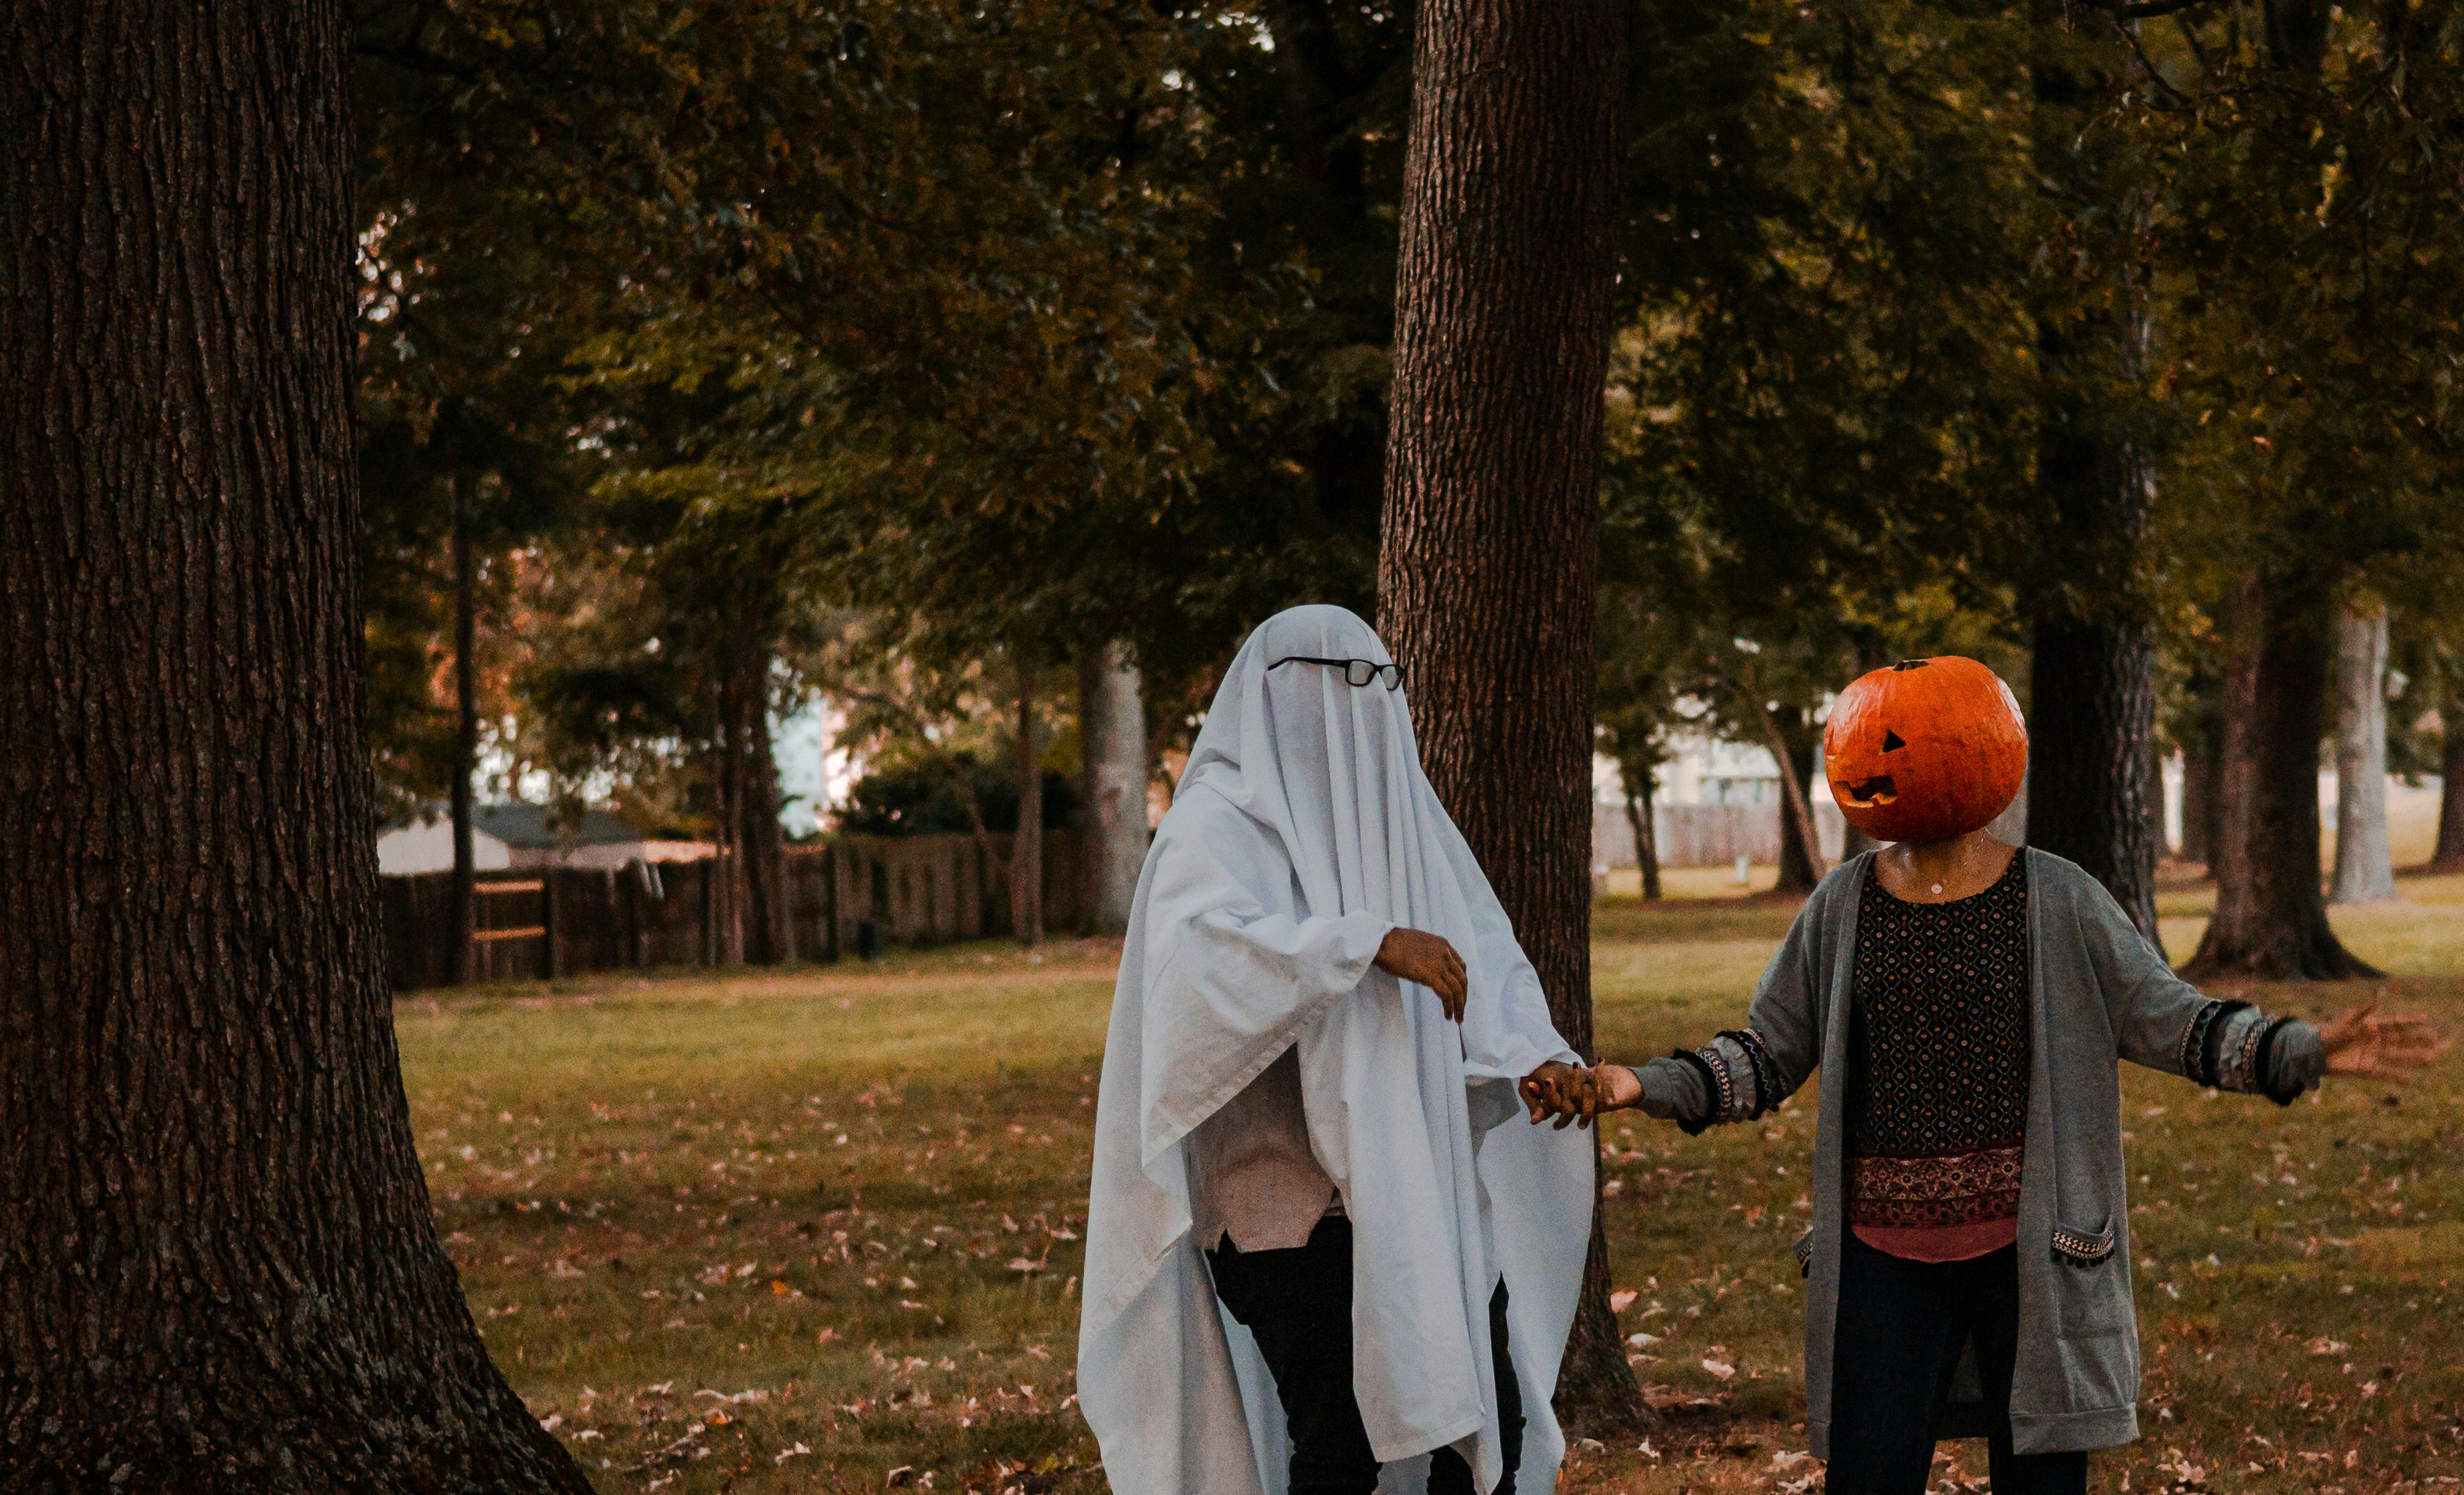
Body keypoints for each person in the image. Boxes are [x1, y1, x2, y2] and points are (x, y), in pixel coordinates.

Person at [1531, 655, 2441, 1495]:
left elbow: (2176, 1020)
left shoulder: (2058, 896)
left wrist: (2301, 1049)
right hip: (1882, 1258)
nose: (1868, 758)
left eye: (1894, 741)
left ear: (1983, 753)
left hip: (2034, 1258)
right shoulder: (1841, 907)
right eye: (1854, 739)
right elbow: (1764, 1054)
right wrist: (1636, 1084)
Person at [1078, 605, 1595, 1495]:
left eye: (1378, 684)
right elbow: (1208, 967)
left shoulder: (1403, 820)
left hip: (1413, 1188)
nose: (1355, 709)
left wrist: (1531, 1054)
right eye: (1330, 682)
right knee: (1339, 1442)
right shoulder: (1214, 826)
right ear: (1270, 695)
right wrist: (1362, 945)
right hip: (1282, 1204)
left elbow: (1485, 957)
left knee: (1485, 1420)